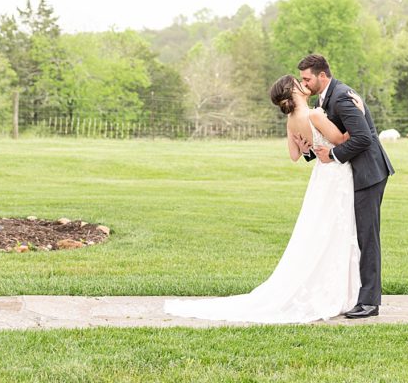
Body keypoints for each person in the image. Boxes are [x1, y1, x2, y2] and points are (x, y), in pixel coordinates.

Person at [164, 74, 364, 324]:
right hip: (335, 174)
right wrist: (359, 112)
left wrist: (306, 148)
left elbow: (294, 155)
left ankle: (334, 287)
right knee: (336, 231)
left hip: (320, 179)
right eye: (299, 83)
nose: (304, 85)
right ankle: (341, 291)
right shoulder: (314, 115)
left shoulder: (292, 121)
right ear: (293, 91)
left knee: (320, 230)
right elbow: (340, 140)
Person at [298, 53, 394, 319]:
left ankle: (370, 302)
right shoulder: (325, 97)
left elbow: (363, 137)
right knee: (353, 235)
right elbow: (334, 136)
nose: (304, 83)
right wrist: (311, 152)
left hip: (368, 174)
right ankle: (353, 294)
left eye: (307, 78)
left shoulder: (341, 96)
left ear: (322, 75)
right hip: (350, 175)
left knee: (367, 236)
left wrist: (334, 156)